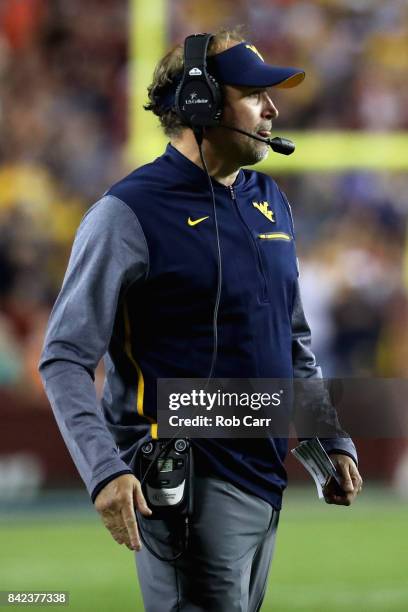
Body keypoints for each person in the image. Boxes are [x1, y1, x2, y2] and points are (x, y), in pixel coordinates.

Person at [39, 28, 363, 612]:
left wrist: (325, 437)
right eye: (254, 94)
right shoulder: (125, 215)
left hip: (262, 478)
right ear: (201, 104)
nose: (273, 109)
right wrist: (103, 470)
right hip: (186, 483)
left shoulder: (269, 198)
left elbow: (291, 338)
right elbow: (64, 356)